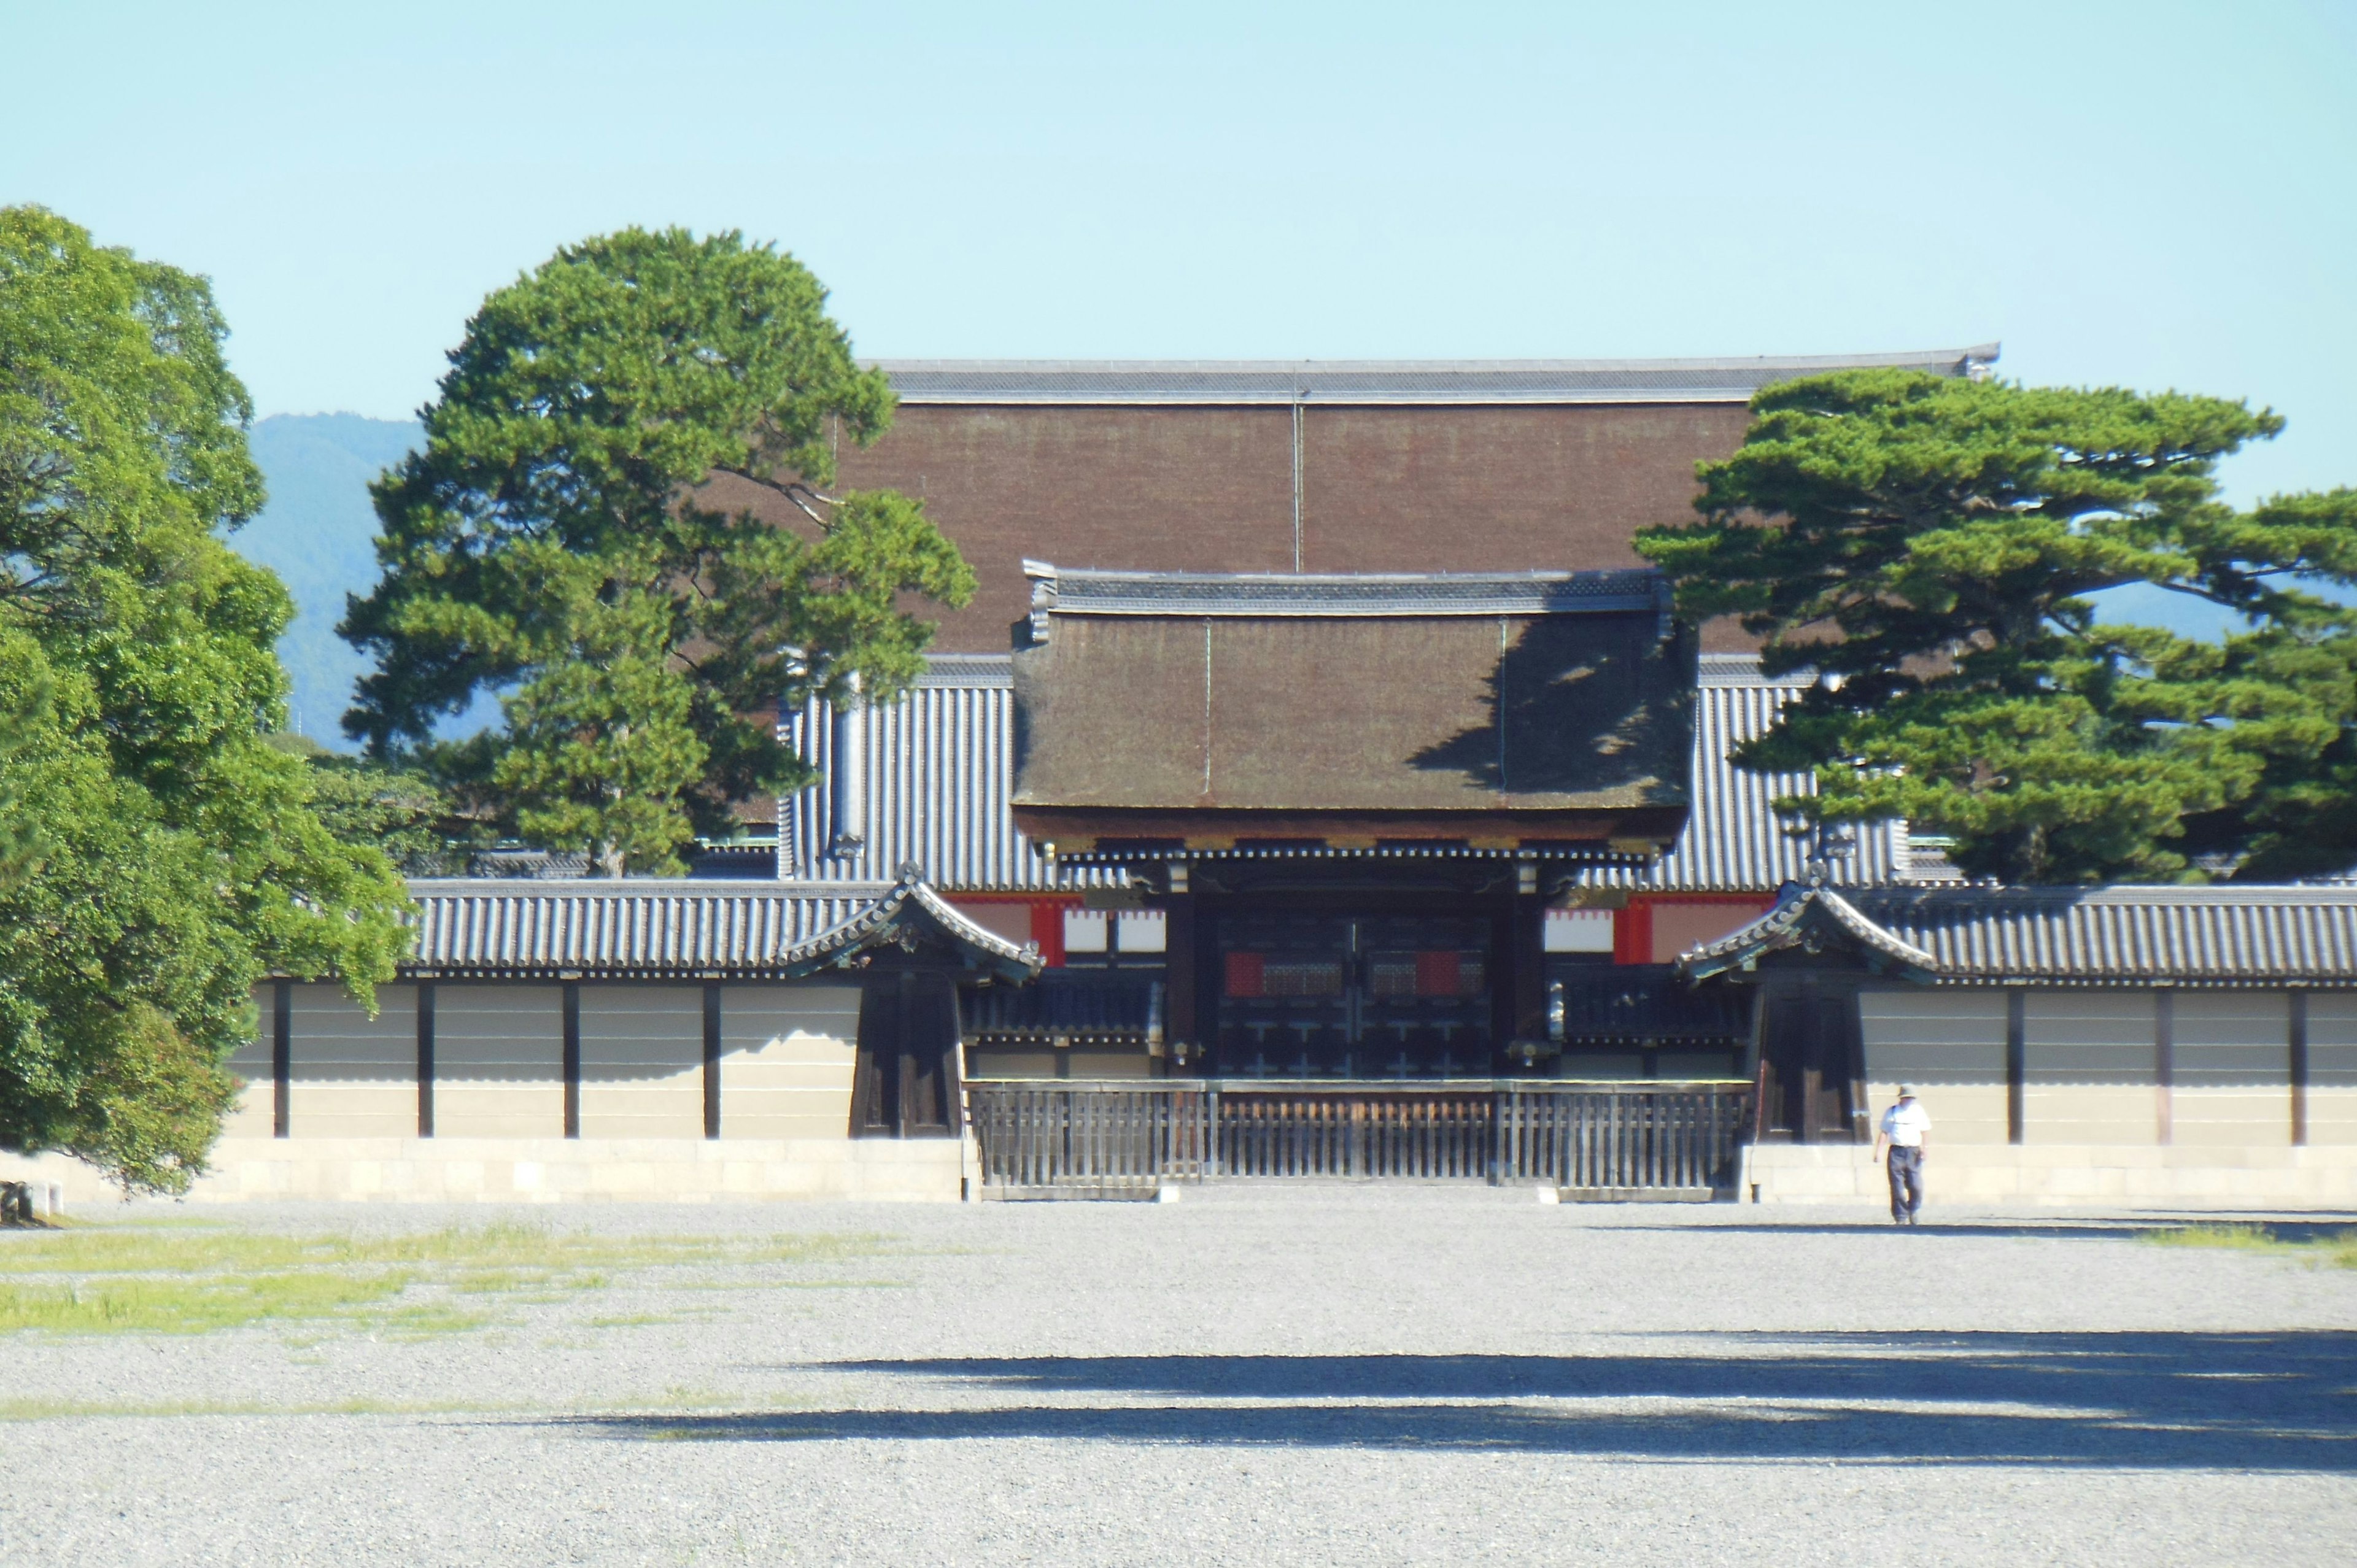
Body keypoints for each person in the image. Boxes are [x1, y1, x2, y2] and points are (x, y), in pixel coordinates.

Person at [1871, 1086, 1932, 1225]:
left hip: (1913, 1151)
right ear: (1902, 1098)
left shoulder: (1919, 1112)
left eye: (1912, 1098)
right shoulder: (1892, 1112)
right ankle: (1900, 1216)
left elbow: (1925, 1131)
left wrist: (1925, 1149)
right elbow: (1884, 1132)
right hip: (1896, 1152)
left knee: (1916, 1185)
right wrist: (1879, 1152)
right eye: (1907, 1098)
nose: (1910, 1100)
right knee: (1897, 1186)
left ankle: (1914, 1209)